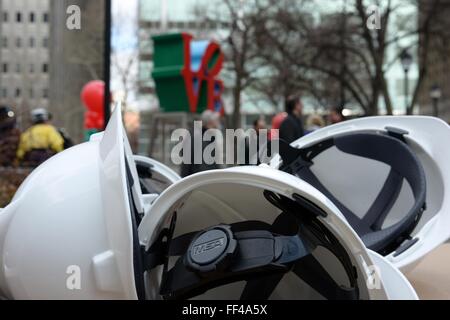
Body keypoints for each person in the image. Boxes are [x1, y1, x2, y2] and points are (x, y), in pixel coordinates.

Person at [180, 110, 222, 177]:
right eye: (216, 122)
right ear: (210, 123)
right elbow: (186, 164)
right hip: (199, 181)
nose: (218, 124)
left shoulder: (209, 138)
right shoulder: (195, 137)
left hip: (207, 180)